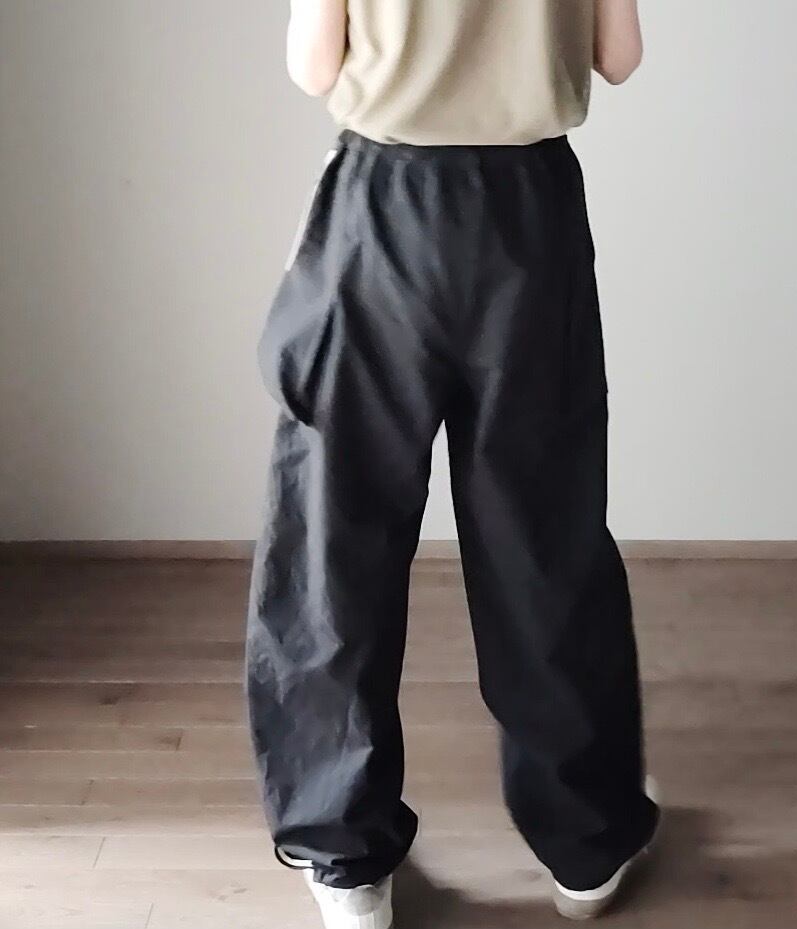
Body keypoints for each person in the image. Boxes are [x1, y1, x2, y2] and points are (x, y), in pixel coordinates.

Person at [245, 2, 658, 926]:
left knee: (336, 533)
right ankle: (584, 846)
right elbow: (619, 56)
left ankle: (345, 860)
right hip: (530, 214)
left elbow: (314, 68)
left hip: (381, 210)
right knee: (543, 533)